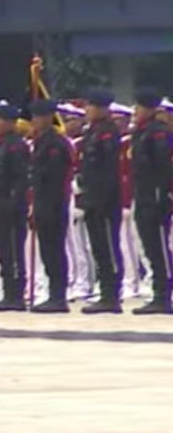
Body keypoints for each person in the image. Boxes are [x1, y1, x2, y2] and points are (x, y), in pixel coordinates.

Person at [79, 90, 123, 314]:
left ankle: (112, 294)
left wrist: (103, 198)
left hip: (105, 200)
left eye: (91, 106)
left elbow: (108, 170)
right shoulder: (92, 132)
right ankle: (105, 291)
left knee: (108, 246)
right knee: (98, 247)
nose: (87, 110)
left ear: (102, 108)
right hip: (92, 198)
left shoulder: (107, 132)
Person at [28, 99, 74, 313]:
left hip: (54, 203)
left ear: (48, 117)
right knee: (47, 250)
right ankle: (54, 294)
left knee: (54, 250)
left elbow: (53, 177)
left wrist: (47, 205)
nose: (34, 121)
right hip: (43, 201)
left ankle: (58, 296)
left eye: (38, 117)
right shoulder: (42, 140)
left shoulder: (55, 143)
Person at [0, 103, 31, 312]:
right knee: (3, 251)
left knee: (13, 250)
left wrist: (14, 203)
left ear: (9, 122)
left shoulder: (16, 146)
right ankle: (7, 292)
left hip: (11, 205)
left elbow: (21, 179)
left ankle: (17, 295)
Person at [130, 89, 173, 315]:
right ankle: (159, 292)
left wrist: (160, 195)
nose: (134, 111)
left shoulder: (158, 133)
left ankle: (164, 295)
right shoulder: (143, 132)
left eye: (137, 107)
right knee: (150, 246)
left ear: (148, 108)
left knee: (159, 247)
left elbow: (163, 167)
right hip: (144, 194)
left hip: (155, 196)